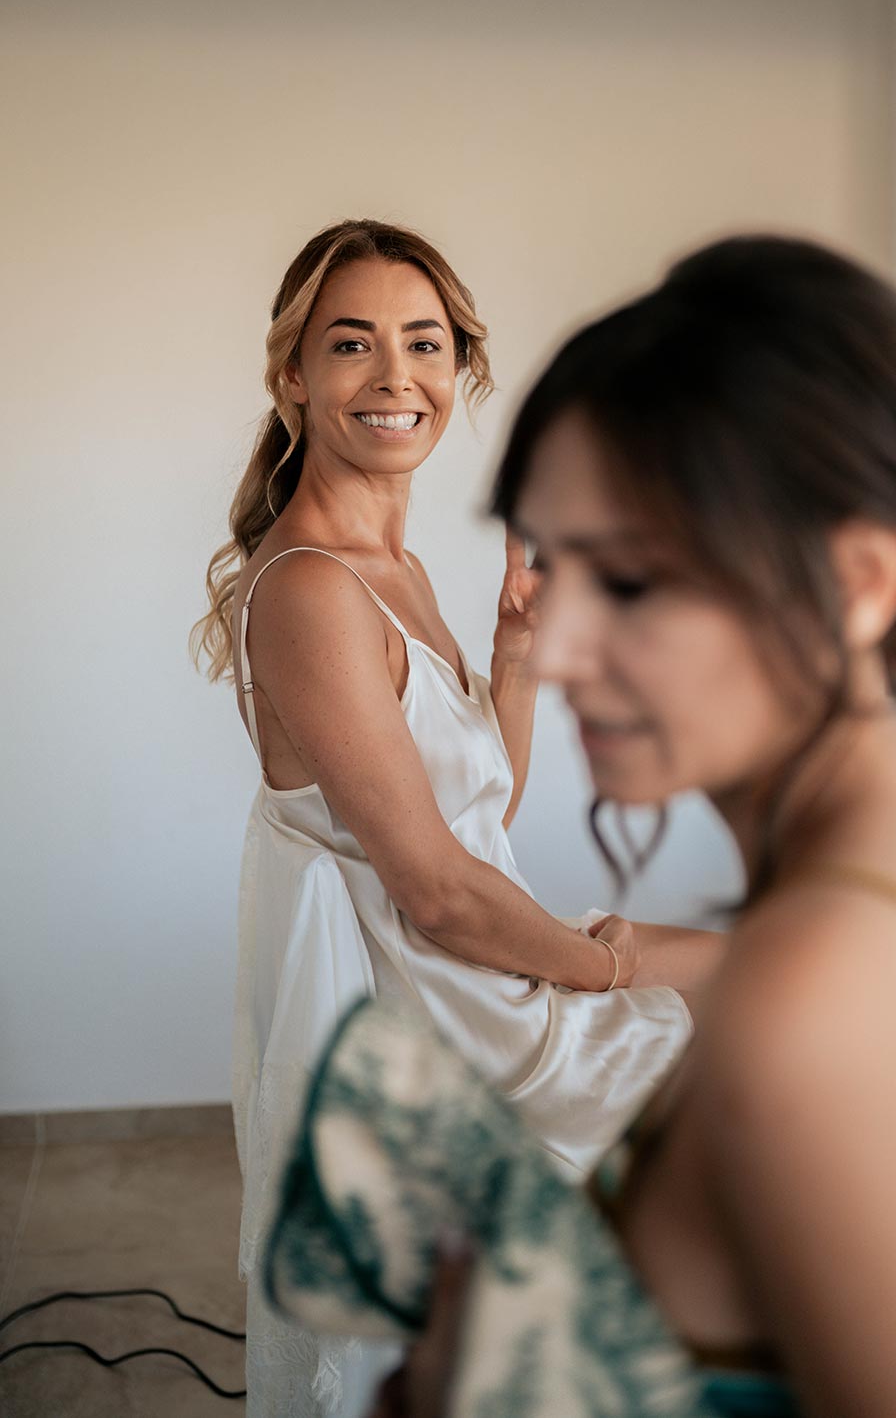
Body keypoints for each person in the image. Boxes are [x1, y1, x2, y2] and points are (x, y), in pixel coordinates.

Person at [266, 234, 896, 1418]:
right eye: (560, 560)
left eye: (634, 578)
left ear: (856, 580)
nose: (566, 644)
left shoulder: (812, 1017)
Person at [191, 219, 719, 1418]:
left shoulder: (401, 571)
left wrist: (512, 656)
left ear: (459, 366)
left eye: (424, 342)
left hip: (463, 977)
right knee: (746, 1004)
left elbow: (475, 815)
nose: (395, 375)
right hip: (434, 1020)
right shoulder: (314, 586)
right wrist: (607, 962)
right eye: (351, 343)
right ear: (293, 377)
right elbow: (435, 890)